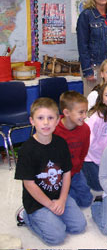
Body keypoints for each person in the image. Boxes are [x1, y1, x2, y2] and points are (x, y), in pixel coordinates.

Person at [15, 98, 86, 245]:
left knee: (79, 226)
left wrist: (62, 200)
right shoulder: (26, 150)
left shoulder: (61, 143)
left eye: (50, 118)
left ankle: (51, 217)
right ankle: (27, 216)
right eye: (40, 118)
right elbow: (29, 184)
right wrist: (50, 205)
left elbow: (66, 173)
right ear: (32, 121)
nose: (46, 123)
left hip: (58, 195)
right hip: (37, 202)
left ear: (57, 121)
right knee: (57, 237)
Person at [54, 91, 93, 208]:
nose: (85, 116)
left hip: (75, 171)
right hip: (58, 175)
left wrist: (77, 167)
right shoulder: (54, 130)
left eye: (85, 111)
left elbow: (83, 152)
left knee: (87, 201)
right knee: (66, 201)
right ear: (66, 112)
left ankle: (69, 195)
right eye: (81, 112)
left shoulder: (85, 129)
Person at [83, 83, 107, 192]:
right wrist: (104, 162)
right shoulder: (97, 117)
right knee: (101, 187)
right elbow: (89, 144)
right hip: (93, 158)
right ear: (102, 99)